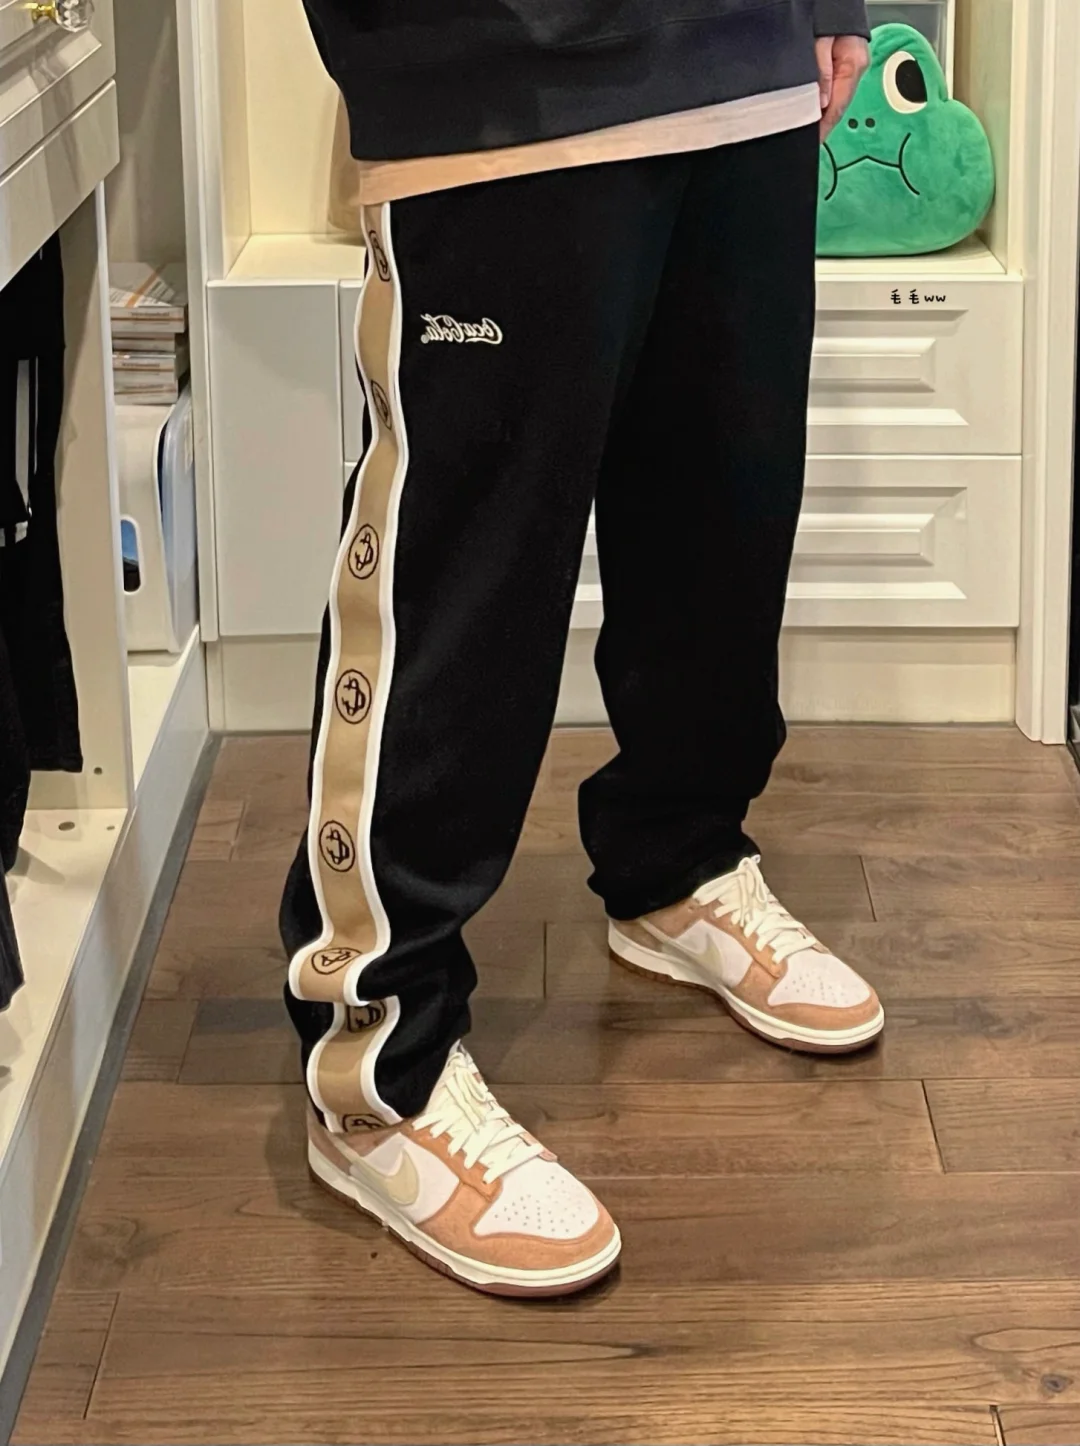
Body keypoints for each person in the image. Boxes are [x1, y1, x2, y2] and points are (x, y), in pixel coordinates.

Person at [280, 0, 883, 1298]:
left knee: (724, 516)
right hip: (498, 76)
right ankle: (378, 1056)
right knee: (467, 573)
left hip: (746, 62)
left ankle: (678, 859)